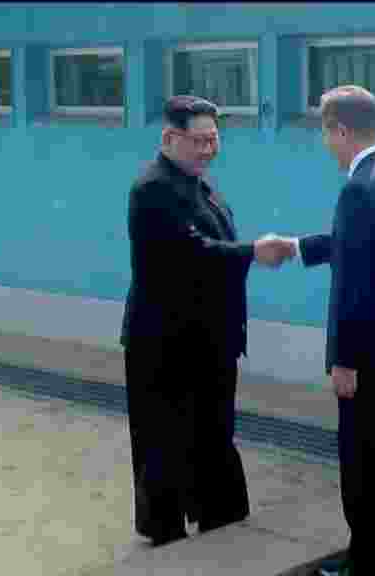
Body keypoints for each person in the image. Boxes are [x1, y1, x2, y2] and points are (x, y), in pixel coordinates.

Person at [271, 85, 375, 575]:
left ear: (339, 130)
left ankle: (366, 560)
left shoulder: (359, 186)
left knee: (363, 461)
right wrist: (297, 246)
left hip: (370, 354)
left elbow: (354, 281)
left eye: (326, 133)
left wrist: (343, 359)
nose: (326, 143)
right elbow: (358, 248)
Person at [120, 95, 290, 546]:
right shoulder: (153, 188)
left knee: (213, 434)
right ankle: (165, 528)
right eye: (199, 141)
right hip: (164, 342)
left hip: (209, 340)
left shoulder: (202, 185)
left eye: (213, 140)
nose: (208, 150)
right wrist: (253, 251)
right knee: (163, 439)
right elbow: (192, 254)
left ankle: (220, 518)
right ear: (169, 138)